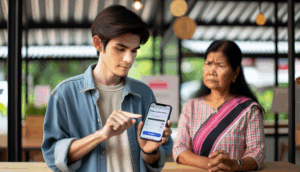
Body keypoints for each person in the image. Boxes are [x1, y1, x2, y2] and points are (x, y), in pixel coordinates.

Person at [42, 5, 173, 172]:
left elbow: (154, 162)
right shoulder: (64, 94)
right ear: (98, 43)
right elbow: (53, 157)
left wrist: (150, 151)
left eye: (134, 51)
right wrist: (101, 135)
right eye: (120, 49)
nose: (128, 59)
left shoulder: (143, 94)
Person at [172, 40, 266, 172]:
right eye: (208, 63)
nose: (211, 71)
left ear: (235, 73)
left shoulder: (249, 109)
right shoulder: (191, 106)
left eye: (220, 66)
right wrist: (210, 163)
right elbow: (179, 149)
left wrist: (234, 164)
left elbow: (257, 153)